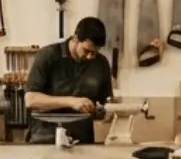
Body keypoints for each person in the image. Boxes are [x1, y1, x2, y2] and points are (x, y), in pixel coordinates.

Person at [24, 17, 114, 145]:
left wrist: (102, 111)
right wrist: (71, 101)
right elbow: (31, 100)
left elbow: (106, 103)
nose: (90, 57)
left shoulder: (101, 63)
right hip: (45, 139)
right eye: (86, 50)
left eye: (95, 52)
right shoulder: (47, 56)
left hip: (83, 141)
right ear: (75, 39)